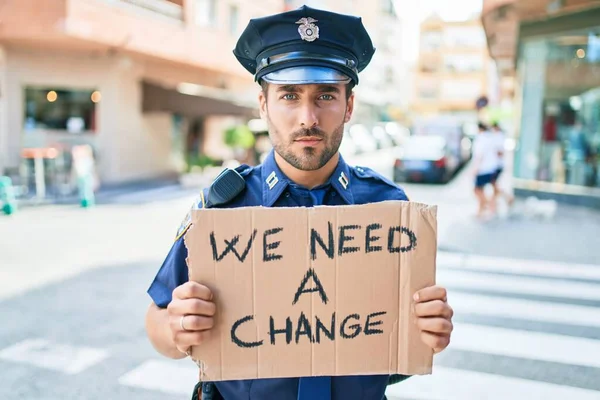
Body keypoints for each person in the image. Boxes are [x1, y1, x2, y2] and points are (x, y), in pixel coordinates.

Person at [144, 6, 454, 400]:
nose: (308, 117)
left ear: (349, 105)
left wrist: (427, 330)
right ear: (263, 104)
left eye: (326, 95)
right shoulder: (218, 211)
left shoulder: (389, 208)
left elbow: (397, 344)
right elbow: (157, 320)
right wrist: (175, 329)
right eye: (289, 95)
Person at [471, 122, 498, 219]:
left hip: (483, 169)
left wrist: (475, 169)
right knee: (481, 189)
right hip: (490, 168)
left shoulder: (481, 139)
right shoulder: (490, 138)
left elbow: (479, 156)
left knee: (477, 190)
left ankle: (490, 206)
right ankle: (481, 210)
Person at [490, 122, 513, 210]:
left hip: (497, 165)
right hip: (496, 165)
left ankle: (507, 198)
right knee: (494, 185)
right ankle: (494, 204)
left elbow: (500, 152)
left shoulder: (499, 137)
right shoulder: (498, 136)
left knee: (494, 184)